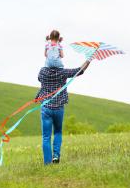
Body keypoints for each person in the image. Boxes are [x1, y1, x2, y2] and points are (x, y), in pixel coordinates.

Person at [36, 30, 91, 165]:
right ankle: (56, 156)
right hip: (59, 108)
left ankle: (47, 163)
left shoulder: (42, 71)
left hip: (46, 108)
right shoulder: (62, 72)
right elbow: (80, 71)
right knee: (58, 132)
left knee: (46, 137)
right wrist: (89, 59)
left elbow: (39, 80)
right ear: (59, 58)